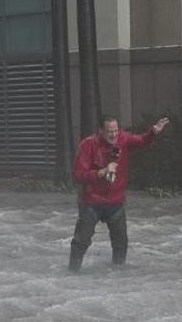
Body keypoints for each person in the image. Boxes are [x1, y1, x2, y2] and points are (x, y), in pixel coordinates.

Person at [69, 115, 169, 272]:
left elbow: (142, 141)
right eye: (110, 132)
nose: (114, 135)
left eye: (116, 131)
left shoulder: (123, 139)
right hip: (91, 202)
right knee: (81, 241)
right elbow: (78, 174)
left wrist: (153, 132)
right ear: (100, 131)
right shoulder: (87, 145)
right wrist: (101, 172)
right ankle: (71, 273)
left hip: (115, 202)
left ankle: (118, 277)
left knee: (121, 242)